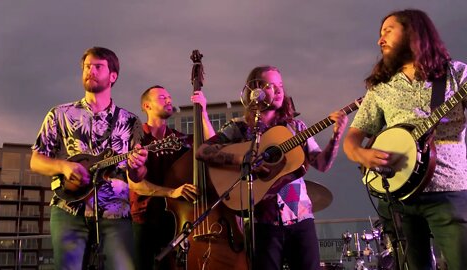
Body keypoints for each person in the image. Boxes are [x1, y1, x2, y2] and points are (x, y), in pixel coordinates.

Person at [343, 9, 467, 270]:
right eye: (380, 34)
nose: (380, 39)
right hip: (398, 196)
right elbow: (352, 140)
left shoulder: (457, 74)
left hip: (448, 190)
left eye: (388, 31)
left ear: (413, 33)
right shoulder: (382, 86)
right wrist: (363, 155)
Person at [195, 65, 348, 270]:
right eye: (270, 86)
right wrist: (242, 159)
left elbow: (322, 164)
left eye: (281, 86)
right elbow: (203, 151)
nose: (278, 91)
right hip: (262, 223)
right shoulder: (239, 128)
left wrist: (336, 136)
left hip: (300, 218)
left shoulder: (297, 128)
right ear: (255, 90)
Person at [30, 47, 148, 270]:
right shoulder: (60, 114)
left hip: (115, 213)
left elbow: (137, 175)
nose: (90, 71)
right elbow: (36, 160)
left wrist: (139, 166)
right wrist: (64, 167)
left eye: (98, 67)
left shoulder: (131, 121)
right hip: (68, 210)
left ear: (113, 76)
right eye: (87, 67)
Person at [127, 85, 215, 269]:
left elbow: (212, 147)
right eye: (161, 97)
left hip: (175, 220)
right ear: (146, 106)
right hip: (144, 219)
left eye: (169, 96)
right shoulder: (135, 139)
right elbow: (135, 184)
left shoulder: (178, 139)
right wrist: (172, 192)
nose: (168, 100)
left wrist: (203, 112)